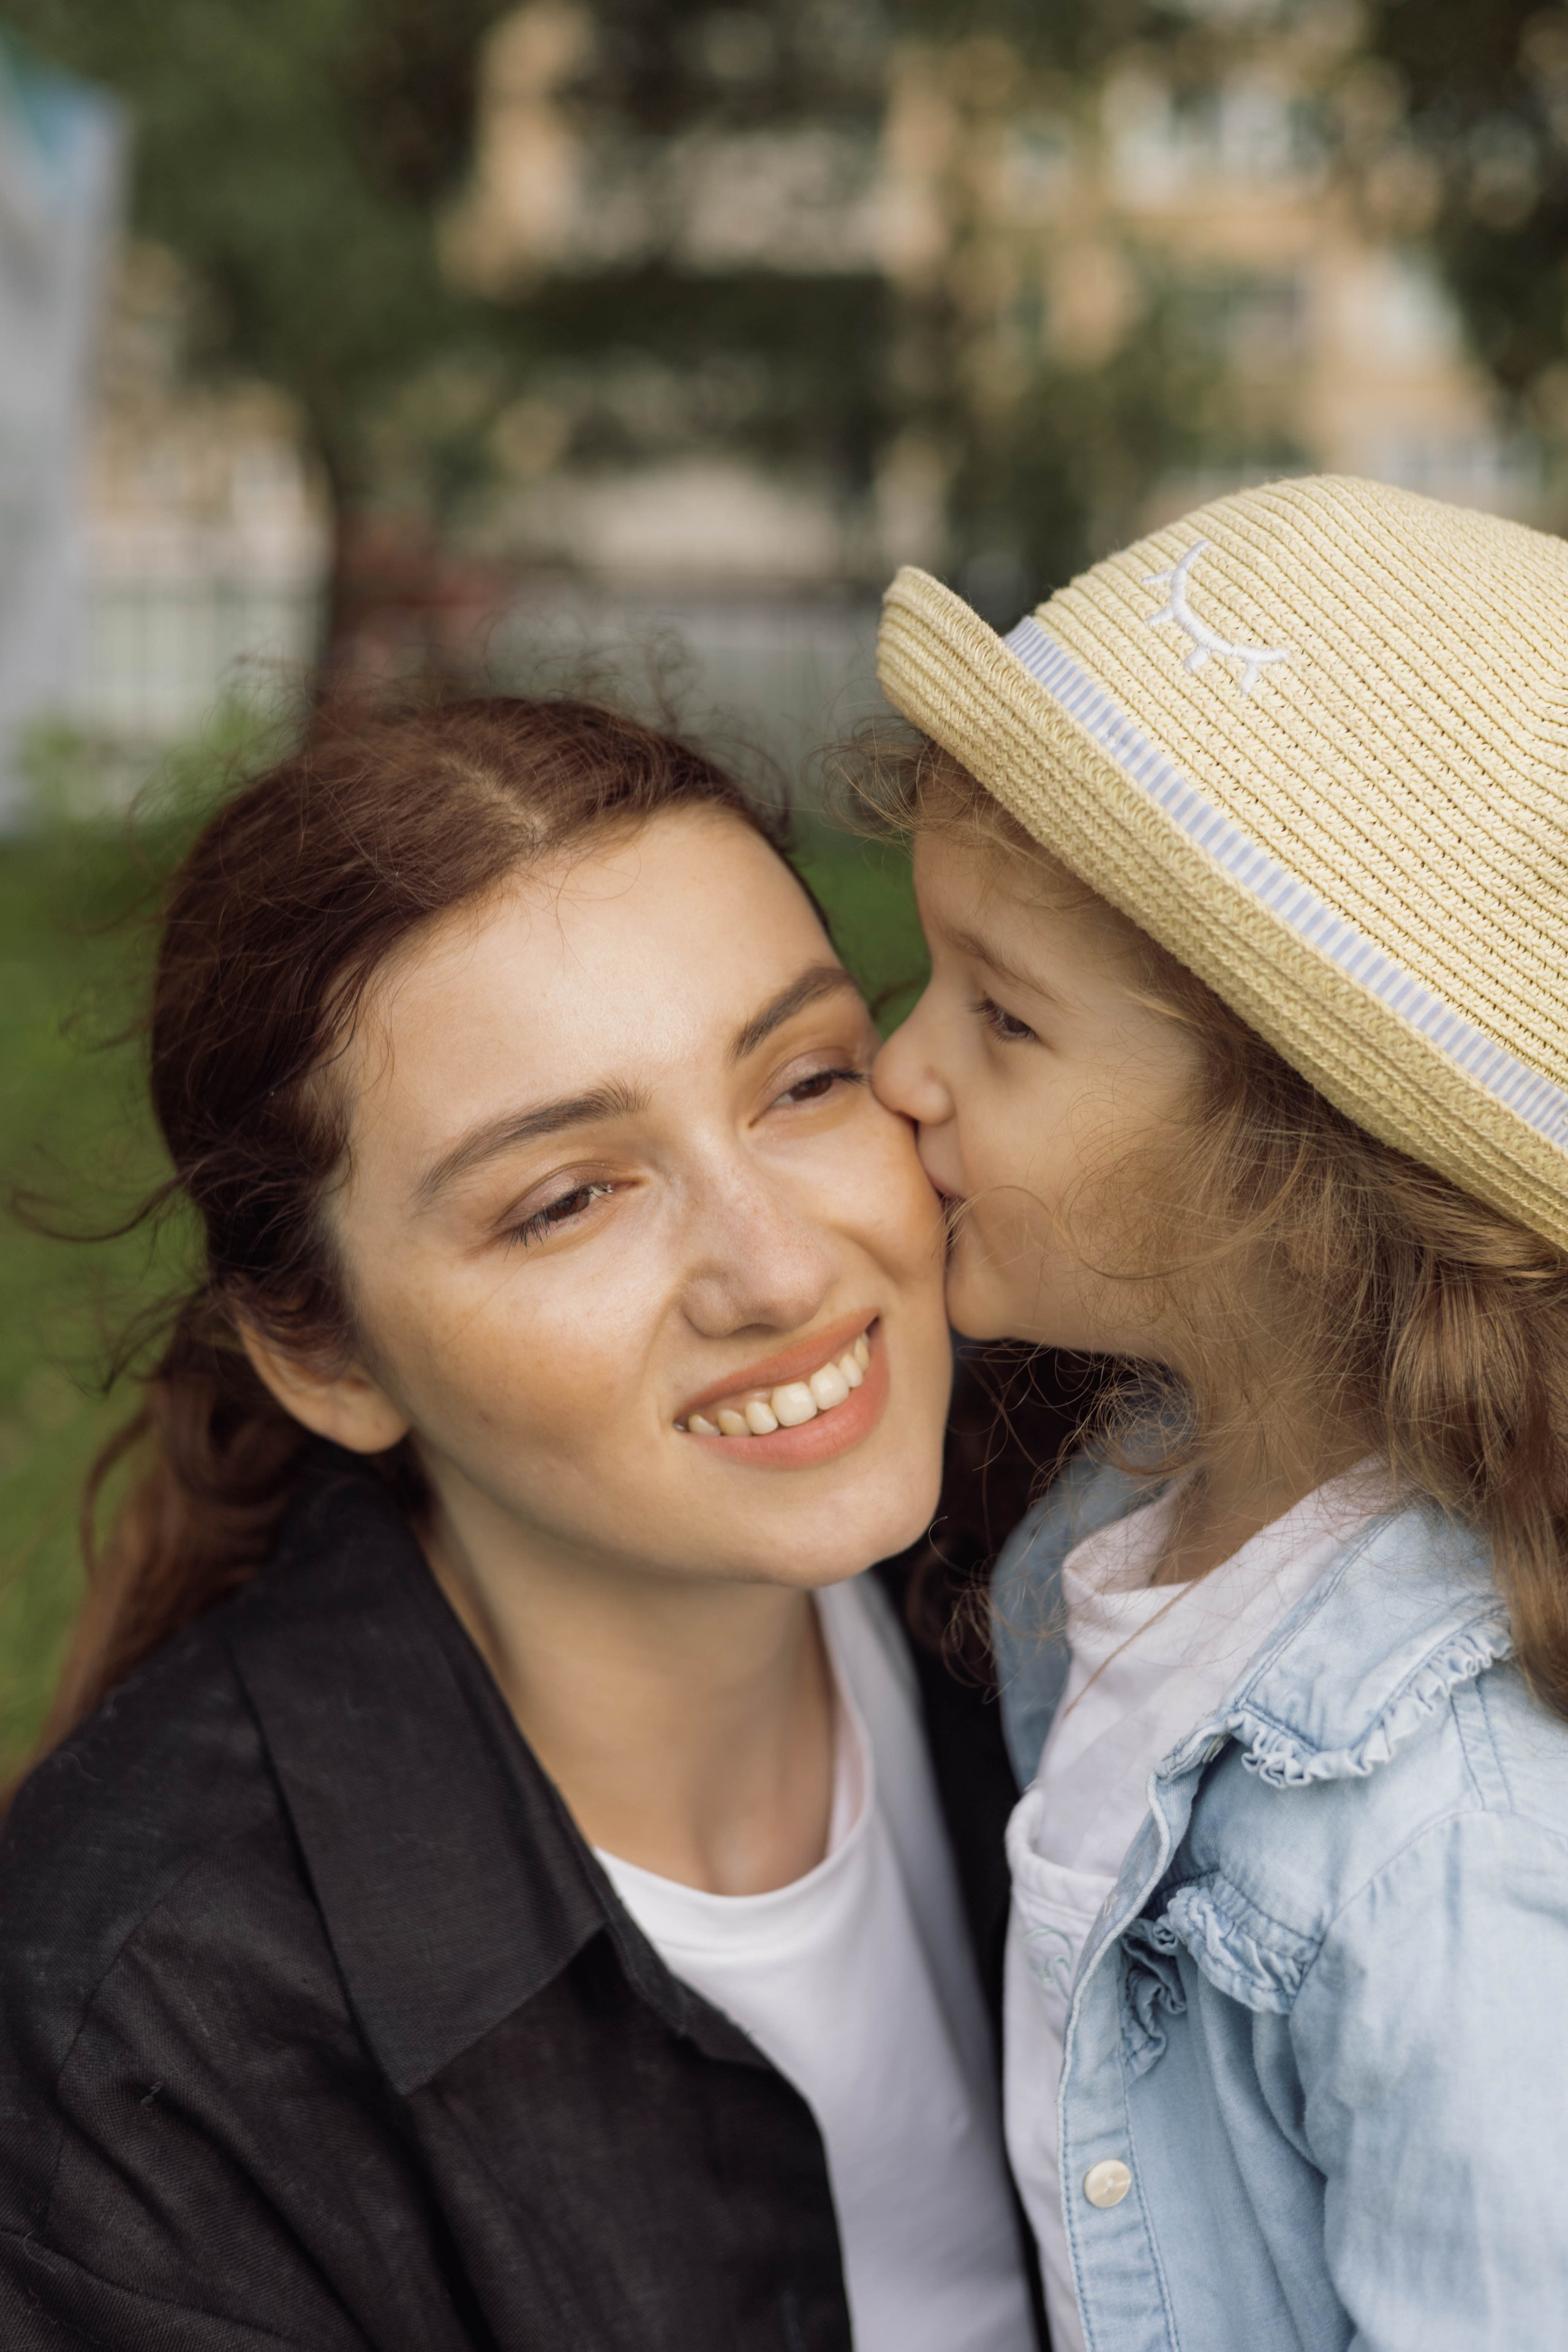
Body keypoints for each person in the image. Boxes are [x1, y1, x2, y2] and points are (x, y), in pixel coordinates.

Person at [0, 696, 1043, 2351]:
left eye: (805, 1081)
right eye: (568, 1198)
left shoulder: (1103, 1568)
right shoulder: (147, 2055)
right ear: (326, 1351)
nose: (781, 1269)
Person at [866, 474, 1568, 2352]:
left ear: (1301, 1162)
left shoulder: (1456, 1836)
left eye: (1002, 1019)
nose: (893, 1063)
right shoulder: (1110, 1508)